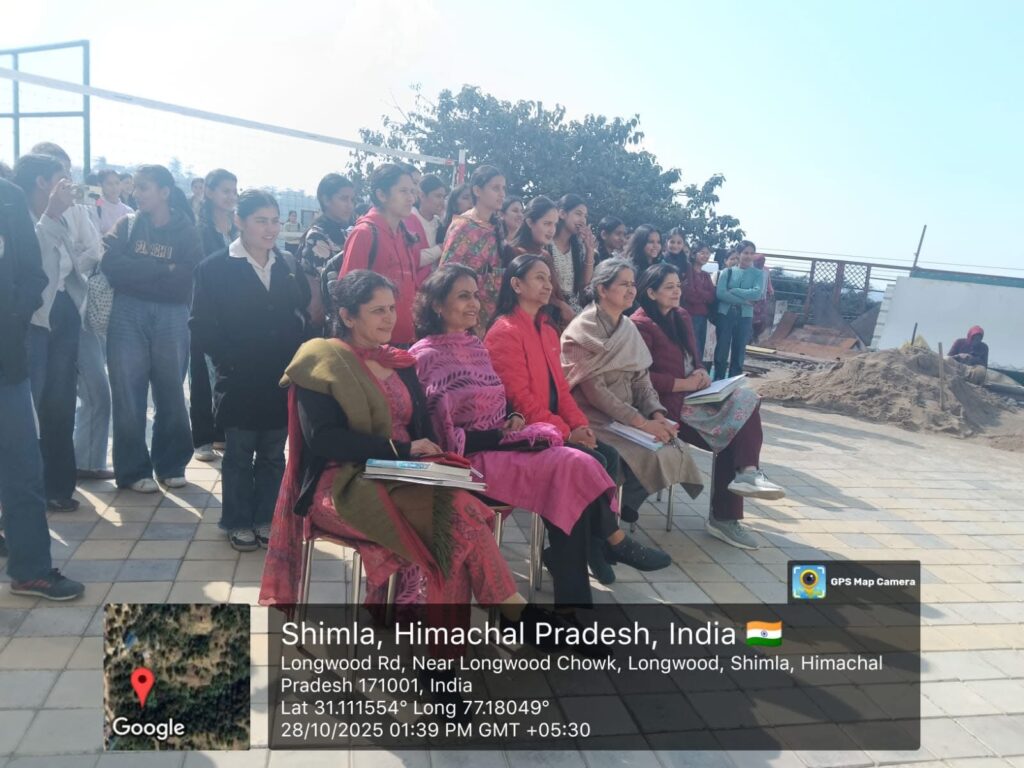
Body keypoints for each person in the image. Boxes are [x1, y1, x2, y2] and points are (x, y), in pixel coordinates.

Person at [259, 270, 566, 650]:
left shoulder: (400, 362)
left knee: (457, 522)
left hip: (404, 476)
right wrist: (401, 451)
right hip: (342, 486)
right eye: (377, 310)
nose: (389, 318)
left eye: (392, 308)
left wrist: (444, 455)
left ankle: (460, 649)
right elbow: (323, 440)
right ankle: (501, 622)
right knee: (453, 528)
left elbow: (423, 428)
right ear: (348, 315)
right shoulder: (321, 360)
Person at [410, 263, 623, 604]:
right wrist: (501, 436)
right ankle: (610, 544)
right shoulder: (425, 357)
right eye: (463, 296)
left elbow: (505, 402)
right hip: (465, 461)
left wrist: (514, 420)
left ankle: (575, 600)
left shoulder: (475, 347)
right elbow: (439, 437)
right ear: (436, 305)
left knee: (575, 465)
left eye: (475, 295)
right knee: (574, 466)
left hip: (502, 448)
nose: (474, 304)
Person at [485, 254, 673, 584]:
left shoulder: (546, 329)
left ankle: (589, 549)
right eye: (539, 278)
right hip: (523, 431)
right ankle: (611, 540)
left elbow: (560, 388)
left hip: (553, 427)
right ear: (516, 284)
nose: (548, 285)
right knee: (594, 460)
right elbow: (520, 400)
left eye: (549, 278)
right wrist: (566, 433)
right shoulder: (505, 331)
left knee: (607, 455)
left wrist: (578, 425)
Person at [633, 263, 785, 549]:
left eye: (678, 286)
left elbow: (694, 355)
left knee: (746, 399)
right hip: (664, 406)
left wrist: (702, 371)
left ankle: (746, 475)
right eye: (669, 287)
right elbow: (640, 377)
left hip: (694, 396)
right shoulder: (640, 325)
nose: (677, 292)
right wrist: (684, 384)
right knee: (734, 431)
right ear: (651, 293)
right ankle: (726, 515)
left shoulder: (681, 316)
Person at [190, 190, 310, 551]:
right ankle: (237, 520)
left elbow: (301, 310)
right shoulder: (214, 268)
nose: (270, 229)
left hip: (279, 377)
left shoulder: (287, 264)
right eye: (261, 221)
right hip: (239, 378)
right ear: (239, 221)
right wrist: (227, 360)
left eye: (275, 221)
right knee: (239, 454)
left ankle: (266, 519)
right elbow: (201, 324)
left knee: (273, 454)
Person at [560, 258, 704, 530]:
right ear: (602, 289)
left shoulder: (627, 327)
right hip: (594, 417)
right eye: (623, 284)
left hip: (628, 415)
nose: (631, 290)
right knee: (641, 454)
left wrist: (656, 414)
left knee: (673, 447)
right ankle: (606, 523)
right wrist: (641, 423)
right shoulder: (581, 330)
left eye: (632, 284)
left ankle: (625, 505)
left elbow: (641, 379)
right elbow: (595, 392)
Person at [0, 176, 86, 599]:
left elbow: (33, 277)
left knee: (22, 467)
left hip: (6, 363)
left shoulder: (8, 198)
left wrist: (12, 318)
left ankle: (31, 569)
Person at [101, 164, 202, 492]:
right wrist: (160, 268)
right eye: (136, 187)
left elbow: (185, 278)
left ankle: (171, 464)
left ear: (164, 192)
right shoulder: (127, 225)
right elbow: (111, 264)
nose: (136, 193)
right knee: (128, 393)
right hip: (126, 313)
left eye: (144, 187)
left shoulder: (186, 230)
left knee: (171, 390)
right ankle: (133, 471)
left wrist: (139, 271)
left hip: (172, 316)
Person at [14, 154, 95, 512]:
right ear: (42, 182)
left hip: (63, 309)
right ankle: (24, 491)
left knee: (60, 402)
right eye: (63, 177)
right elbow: (30, 261)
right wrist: (49, 216)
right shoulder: (14, 214)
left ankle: (58, 487)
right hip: (30, 318)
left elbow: (88, 252)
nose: (70, 184)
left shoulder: (68, 213)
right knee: (28, 404)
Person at [339, 164, 420, 346]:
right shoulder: (365, 233)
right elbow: (347, 294)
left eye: (412, 191)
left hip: (406, 339)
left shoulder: (404, 235)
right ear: (382, 195)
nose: (411, 198)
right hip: (374, 344)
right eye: (403, 191)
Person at [191, 168, 239, 462]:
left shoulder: (237, 229)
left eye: (234, 191)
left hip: (234, 313)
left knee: (226, 374)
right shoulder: (198, 230)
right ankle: (202, 438)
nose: (231, 196)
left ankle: (222, 432)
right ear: (209, 192)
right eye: (225, 191)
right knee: (200, 374)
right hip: (206, 310)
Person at [439, 166, 506, 331]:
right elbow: (447, 272)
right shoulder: (463, 226)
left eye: (503, 188)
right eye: (495, 188)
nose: (502, 194)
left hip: (493, 309)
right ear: (477, 190)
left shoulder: (496, 226)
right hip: (465, 311)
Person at [505, 196, 573, 324]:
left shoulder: (545, 254)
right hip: (523, 322)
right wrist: (560, 305)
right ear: (530, 222)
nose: (552, 230)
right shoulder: (515, 252)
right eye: (547, 223)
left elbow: (555, 292)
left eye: (555, 224)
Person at [713, 240, 763, 381]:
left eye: (752, 253)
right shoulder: (727, 272)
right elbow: (721, 293)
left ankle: (733, 383)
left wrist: (734, 290)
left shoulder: (758, 274)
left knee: (739, 351)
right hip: (725, 314)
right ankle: (718, 381)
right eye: (745, 253)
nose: (748, 256)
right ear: (739, 254)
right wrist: (744, 300)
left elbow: (756, 294)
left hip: (745, 316)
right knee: (721, 350)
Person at [549, 194, 597, 320]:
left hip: (574, 308)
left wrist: (589, 251)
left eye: (585, 216)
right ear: (562, 214)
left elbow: (585, 284)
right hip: (550, 306)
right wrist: (561, 305)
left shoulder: (578, 248)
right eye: (578, 214)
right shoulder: (547, 243)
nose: (583, 220)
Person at [298, 173, 356, 273]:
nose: (350, 205)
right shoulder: (316, 236)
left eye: (352, 200)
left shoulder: (347, 231)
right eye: (344, 199)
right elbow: (326, 278)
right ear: (326, 200)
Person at [680, 242, 717, 362]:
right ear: (694, 254)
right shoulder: (688, 271)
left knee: (699, 347)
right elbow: (689, 294)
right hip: (690, 314)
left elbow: (712, 296)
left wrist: (699, 292)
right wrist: (704, 295)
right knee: (692, 347)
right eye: (702, 253)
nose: (705, 256)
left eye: (708, 253)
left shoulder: (706, 275)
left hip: (703, 316)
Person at [410, 174, 448, 281]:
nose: (442, 202)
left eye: (443, 197)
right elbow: (412, 258)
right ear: (422, 196)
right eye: (438, 196)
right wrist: (441, 248)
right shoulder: (408, 220)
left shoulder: (439, 223)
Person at [91, 168, 133, 234]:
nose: (114, 187)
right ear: (100, 185)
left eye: (117, 183)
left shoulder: (128, 211)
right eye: (109, 184)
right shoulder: (94, 208)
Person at [751, 254, 775, 340]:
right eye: (759, 261)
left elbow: (768, 282)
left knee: (761, 319)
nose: (761, 263)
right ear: (754, 261)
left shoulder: (766, 270)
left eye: (763, 261)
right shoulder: (750, 269)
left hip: (762, 298)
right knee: (751, 318)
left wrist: (770, 290)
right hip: (751, 298)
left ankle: (756, 335)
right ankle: (750, 336)